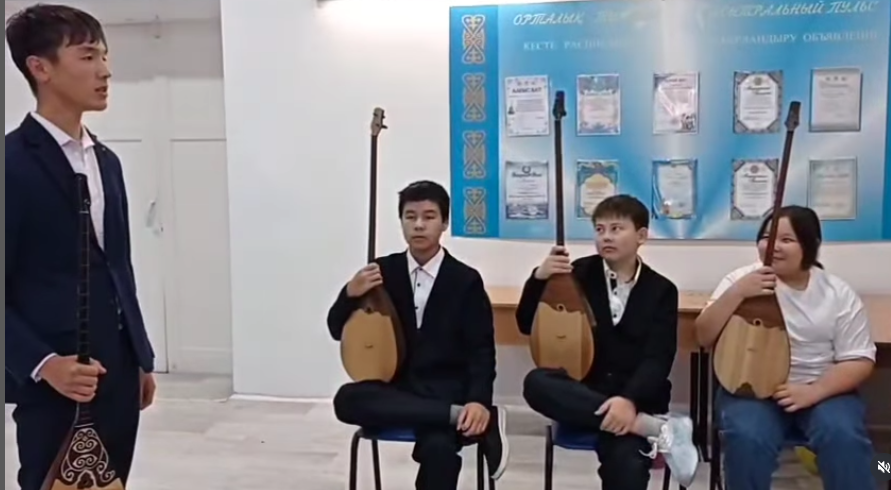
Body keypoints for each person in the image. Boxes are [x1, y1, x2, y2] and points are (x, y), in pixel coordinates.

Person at [5, 4, 156, 490]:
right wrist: (44, 364)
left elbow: (118, 268)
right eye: (88, 56)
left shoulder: (106, 161)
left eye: (104, 57)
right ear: (40, 67)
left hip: (118, 373)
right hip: (53, 380)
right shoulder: (11, 164)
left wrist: (140, 356)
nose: (105, 71)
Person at [327, 180, 508, 490]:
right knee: (347, 399)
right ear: (401, 222)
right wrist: (349, 294)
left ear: (444, 222)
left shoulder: (465, 279)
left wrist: (478, 400)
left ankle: (454, 414)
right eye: (410, 217)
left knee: (440, 450)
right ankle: (452, 416)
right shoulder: (381, 272)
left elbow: (481, 350)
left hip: (444, 389)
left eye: (429, 216)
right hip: (396, 389)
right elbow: (336, 330)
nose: (419, 225)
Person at [517, 194, 699, 488]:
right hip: (585, 396)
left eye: (616, 229)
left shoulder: (661, 290)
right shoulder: (576, 274)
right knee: (536, 383)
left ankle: (636, 422)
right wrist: (539, 278)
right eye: (600, 229)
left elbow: (658, 358)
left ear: (641, 236)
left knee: (627, 467)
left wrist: (628, 401)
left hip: (636, 398)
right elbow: (527, 324)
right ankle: (652, 428)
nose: (606, 237)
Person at [694, 205, 876, 490]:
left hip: (820, 389)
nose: (773, 246)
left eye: (786, 240)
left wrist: (814, 391)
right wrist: (737, 293)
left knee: (843, 435)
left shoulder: (837, 293)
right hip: (751, 390)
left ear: (810, 245)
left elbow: (859, 359)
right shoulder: (740, 281)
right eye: (767, 237)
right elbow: (703, 336)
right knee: (747, 437)